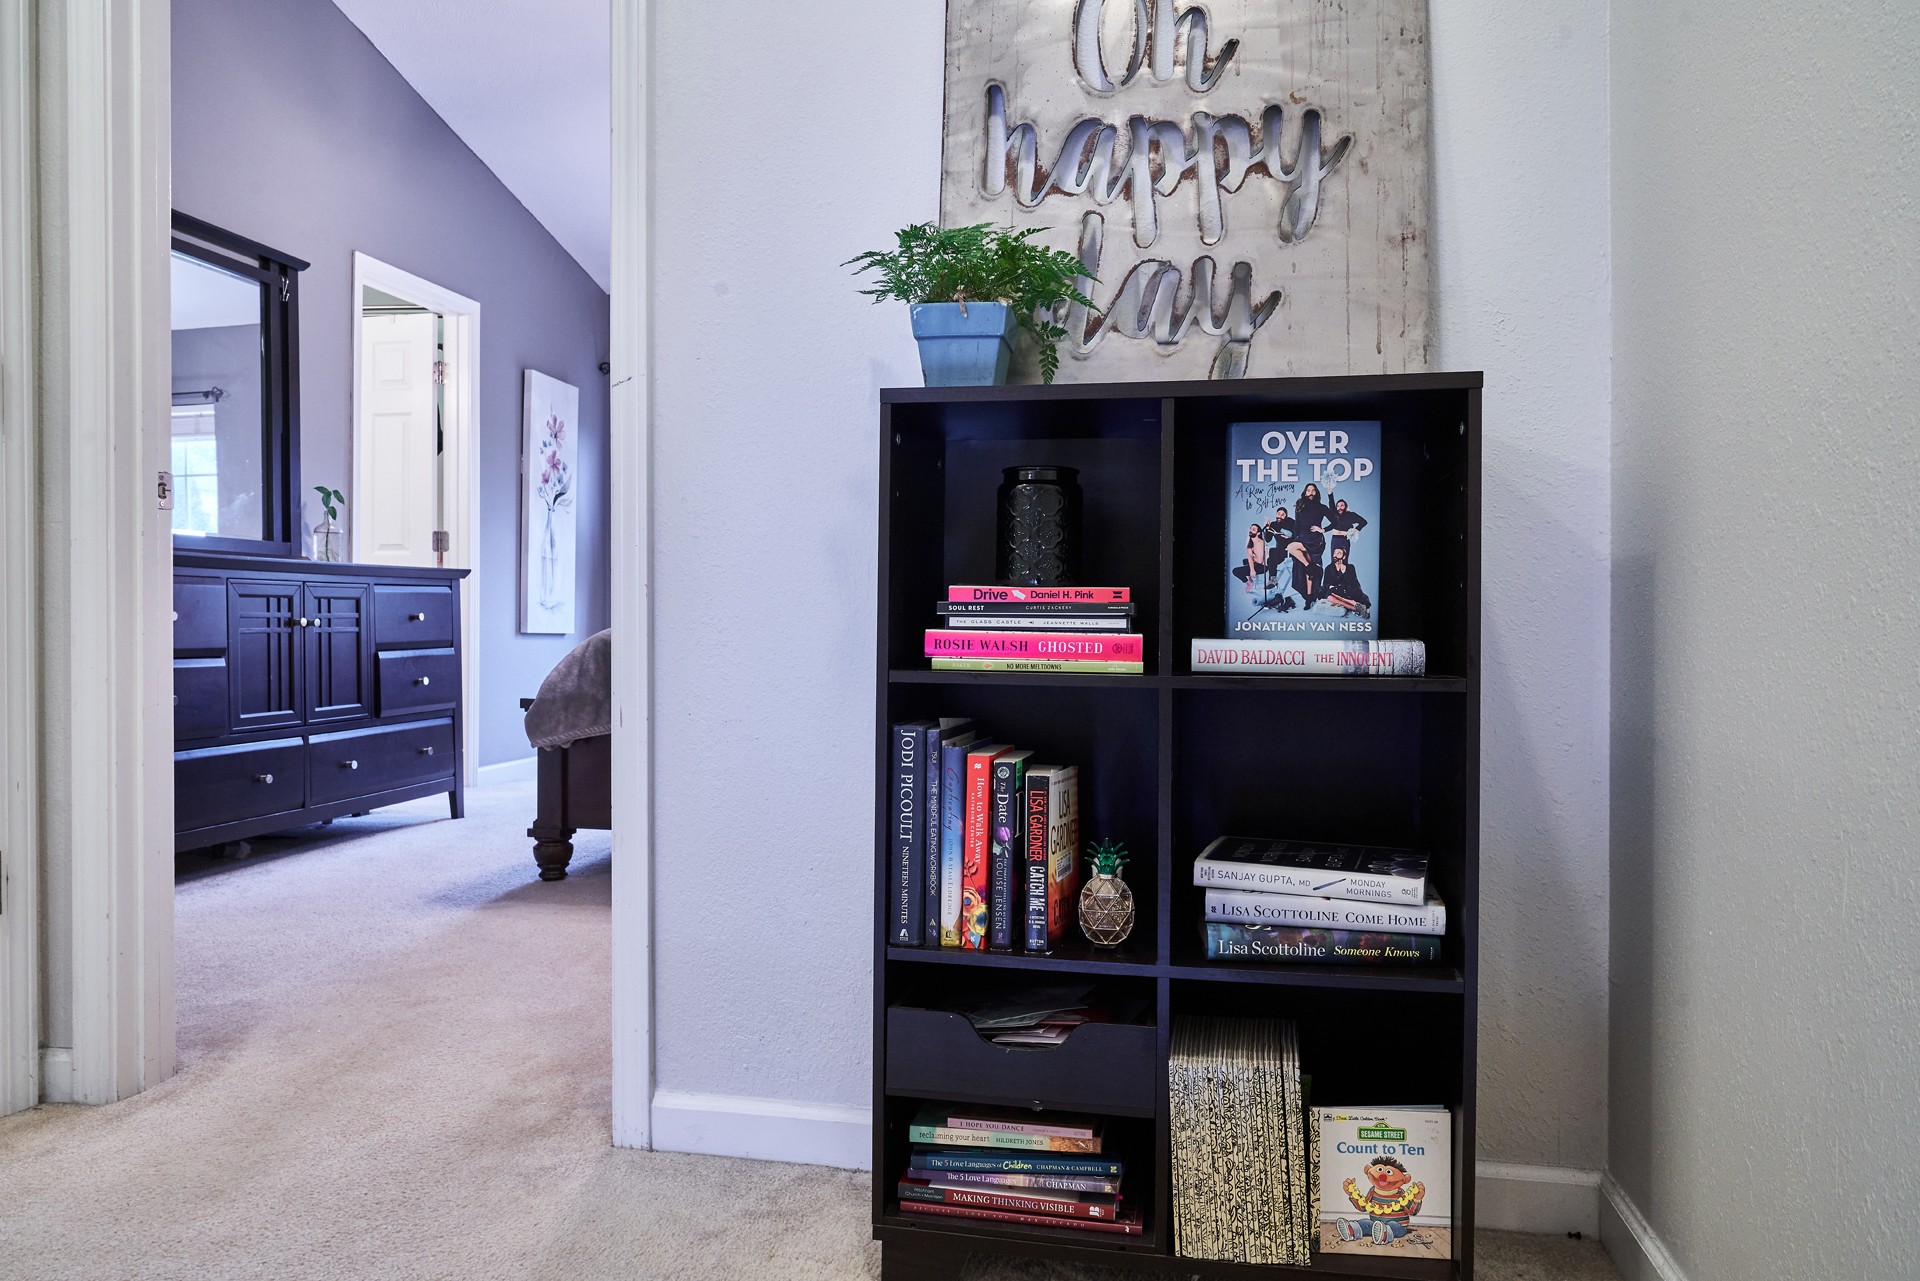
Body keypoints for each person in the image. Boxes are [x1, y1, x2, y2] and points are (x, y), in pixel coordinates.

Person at [1292, 483, 1331, 604]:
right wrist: (1295, 538)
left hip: (1315, 541)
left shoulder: (1322, 507)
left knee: (1306, 564)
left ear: (1316, 493)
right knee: (1307, 568)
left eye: (1313, 490)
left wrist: (1323, 530)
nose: (1311, 492)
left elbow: (1335, 521)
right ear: (1305, 493)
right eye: (1308, 490)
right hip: (1302, 539)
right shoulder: (1300, 507)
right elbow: (1296, 526)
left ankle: (1310, 568)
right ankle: (1309, 597)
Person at [1319, 545, 1371, 618]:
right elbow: (1325, 584)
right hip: (1336, 591)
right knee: (1329, 597)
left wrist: (1344, 573)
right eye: (1334, 553)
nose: (1335, 555)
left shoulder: (1350, 567)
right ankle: (1356, 608)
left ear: (1344, 557)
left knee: (1339, 594)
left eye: (1338, 553)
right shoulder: (1328, 568)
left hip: (1350, 591)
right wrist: (1331, 586)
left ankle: (1355, 604)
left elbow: (1353, 583)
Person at [1230, 522, 1269, 592]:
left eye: (1253, 529)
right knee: (1245, 561)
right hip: (1257, 563)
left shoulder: (1259, 543)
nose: (1250, 531)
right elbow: (1250, 556)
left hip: (1262, 567)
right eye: (1250, 529)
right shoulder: (1252, 542)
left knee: (1235, 571)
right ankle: (1250, 580)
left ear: (1258, 533)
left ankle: (1249, 584)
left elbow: (1260, 561)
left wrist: (1252, 569)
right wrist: (1251, 556)